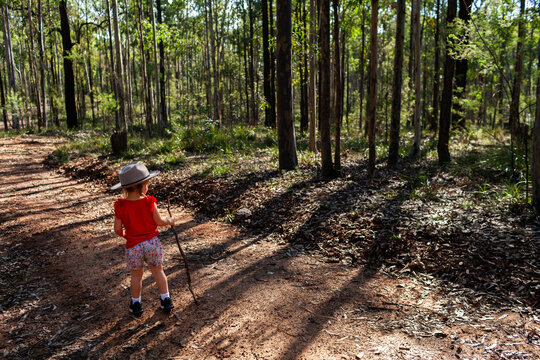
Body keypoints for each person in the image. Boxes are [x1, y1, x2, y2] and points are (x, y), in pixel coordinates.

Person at [111, 161, 175, 316]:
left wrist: (126, 236)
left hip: (134, 246)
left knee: (136, 275)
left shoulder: (120, 206)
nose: (147, 187)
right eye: (147, 184)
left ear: (124, 188)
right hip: (152, 243)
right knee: (158, 271)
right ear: (142, 186)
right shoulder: (149, 202)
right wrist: (170, 220)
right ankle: (166, 299)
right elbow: (159, 222)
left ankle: (136, 304)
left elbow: (117, 229)